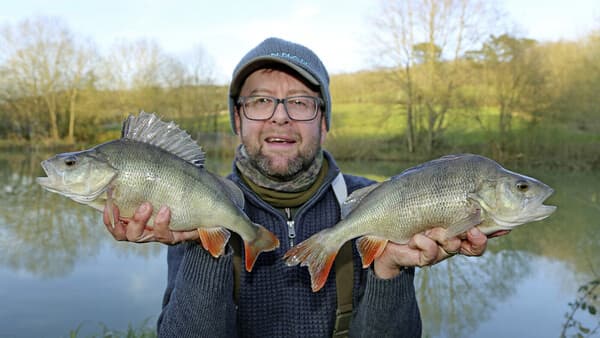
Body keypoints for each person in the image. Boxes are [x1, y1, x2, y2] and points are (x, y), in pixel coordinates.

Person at [103, 37, 490, 337]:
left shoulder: (378, 201)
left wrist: (389, 270)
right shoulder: (186, 200)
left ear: (324, 122)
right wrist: (206, 243)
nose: (280, 117)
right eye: (260, 101)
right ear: (238, 120)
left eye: (301, 103)